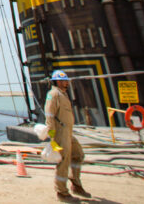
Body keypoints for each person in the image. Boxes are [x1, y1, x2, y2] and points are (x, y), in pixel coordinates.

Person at [45, 70, 90, 202]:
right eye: (65, 80)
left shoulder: (62, 94)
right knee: (63, 161)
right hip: (60, 133)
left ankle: (75, 184)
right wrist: (52, 138)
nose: (67, 83)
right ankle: (62, 193)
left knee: (78, 155)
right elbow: (49, 116)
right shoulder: (53, 95)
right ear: (58, 81)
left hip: (68, 132)